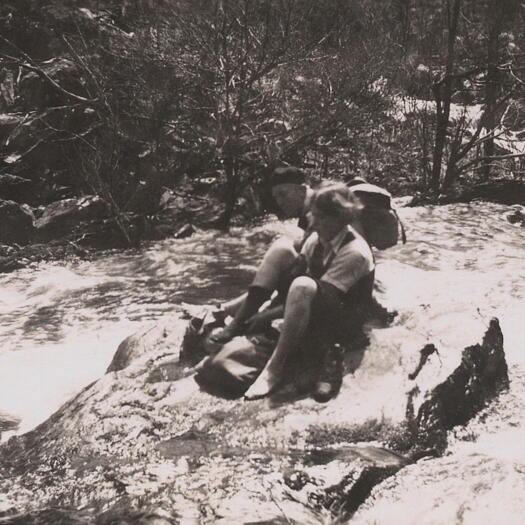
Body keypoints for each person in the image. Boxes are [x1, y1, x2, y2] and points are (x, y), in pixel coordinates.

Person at [243, 182, 375, 399]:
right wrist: (249, 312)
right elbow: (291, 281)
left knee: (303, 285)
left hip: (345, 320)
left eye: (322, 217)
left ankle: (275, 370)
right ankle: (305, 353)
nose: (313, 222)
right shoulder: (315, 241)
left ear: (341, 219)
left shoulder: (356, 252)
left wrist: (268, 314)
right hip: (320, 309)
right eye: (313, 215)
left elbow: (320, 294)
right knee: (285, 257)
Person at [210, 166, 314, 343]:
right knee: (284, 248)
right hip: (315, 278)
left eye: (283, 194)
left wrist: (268, 314)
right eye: (276, 197)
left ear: (302, 189)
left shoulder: (321, 211)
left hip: (327, 289)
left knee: (281, 249)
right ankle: (231, 311)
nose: (280, 202)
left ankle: (236, 319)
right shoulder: (311, 207)